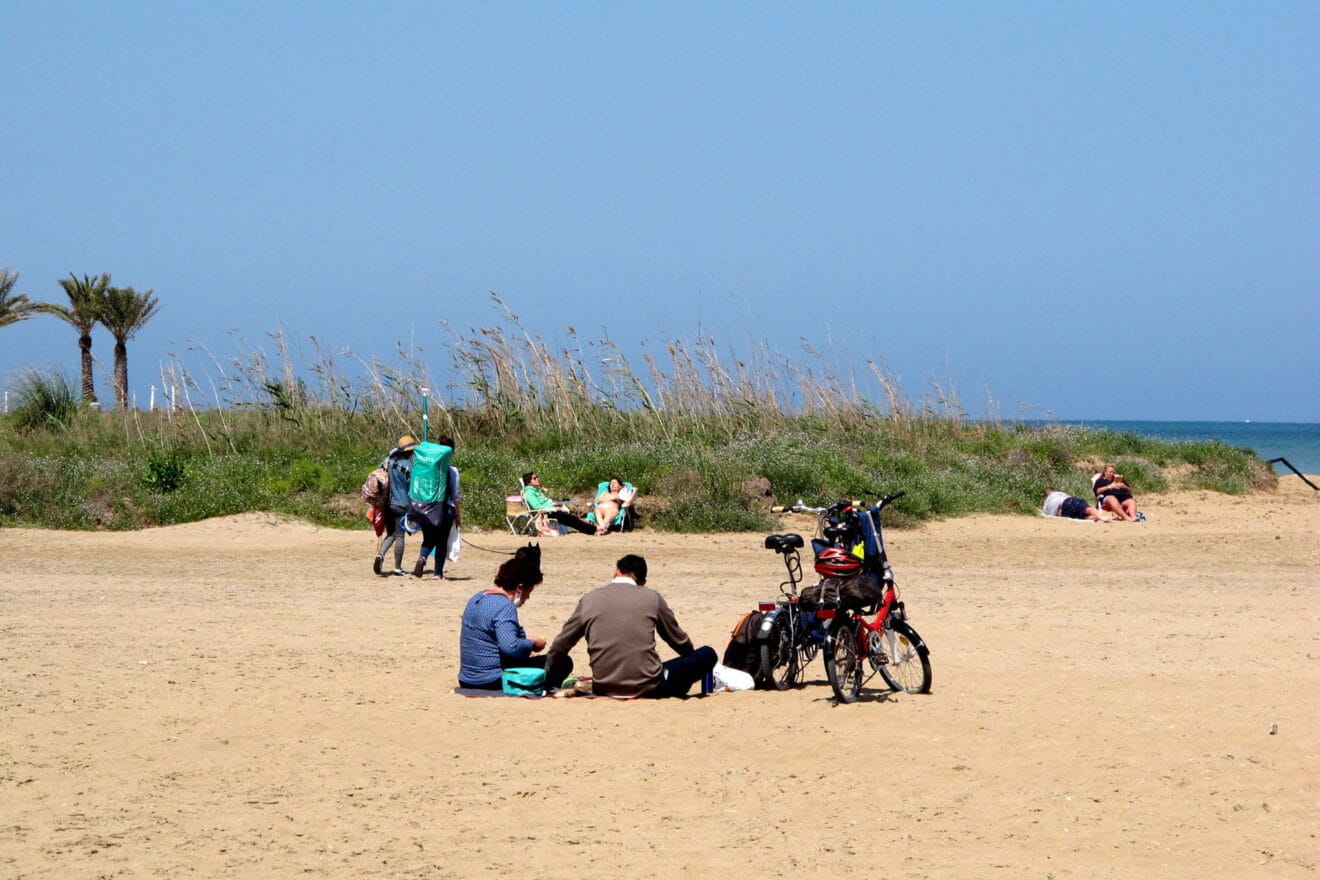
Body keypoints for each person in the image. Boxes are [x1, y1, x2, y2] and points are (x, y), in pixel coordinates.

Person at [543, 554, 717, 698]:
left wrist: (548, 679)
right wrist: (690, 658)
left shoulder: (589, 599)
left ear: (616, 571)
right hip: (650, 686)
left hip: (604, 685)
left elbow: (561, 645)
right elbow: (678, 640)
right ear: (643, 582)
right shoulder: (652, 598)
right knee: (707, 654)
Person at [457, 545, 571, 689]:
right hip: (493, 679)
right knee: (563, 662)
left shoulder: (477, 598)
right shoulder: (504, 606)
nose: (527, 598)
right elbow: (511, 647)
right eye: (529, 592)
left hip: (467, 679)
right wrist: (533, 643)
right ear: (520, 588)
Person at [410, 435, 459, 579]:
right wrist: (458, 513)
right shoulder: (452, 471)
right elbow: (455, 494)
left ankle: (422, 558)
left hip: (425, 507)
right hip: (445, 509)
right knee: (441, 541)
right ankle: (438, 573)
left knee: (428, 538)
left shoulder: (426, 467)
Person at [374, 434, 416, 576]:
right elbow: (412, 488)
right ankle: (398, 568)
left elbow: (379, 474)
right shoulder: (410, 467)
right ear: (410, 452)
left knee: (390, 533)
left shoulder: (388, 461)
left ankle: (380, 555)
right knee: (400, 536)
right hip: (402, 504)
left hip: (387, 503)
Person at [521, 471, 598, 536]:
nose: (537, 479)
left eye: (537, 477)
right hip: (546, 513)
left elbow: (545, 502)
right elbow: (537, 507)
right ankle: (592, 530)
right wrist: (554, 508)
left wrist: (555, 505)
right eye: (534, 478)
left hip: (551, 511)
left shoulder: (536, 491)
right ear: (528, 482)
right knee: (571, 519)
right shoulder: (529, 493)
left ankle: (591, 529)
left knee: (571, 518)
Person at [1042, 488, 1114, 522]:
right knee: (1087, 508)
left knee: (1084, 517)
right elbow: (1069, 497)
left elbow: (1047, 514)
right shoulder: (1057, 494)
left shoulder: (1046, 505)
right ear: (1053, 491)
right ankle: (1102, 517)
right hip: (1067, 502)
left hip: (1064, 513)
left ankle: (1098, 517)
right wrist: (1088, 505)